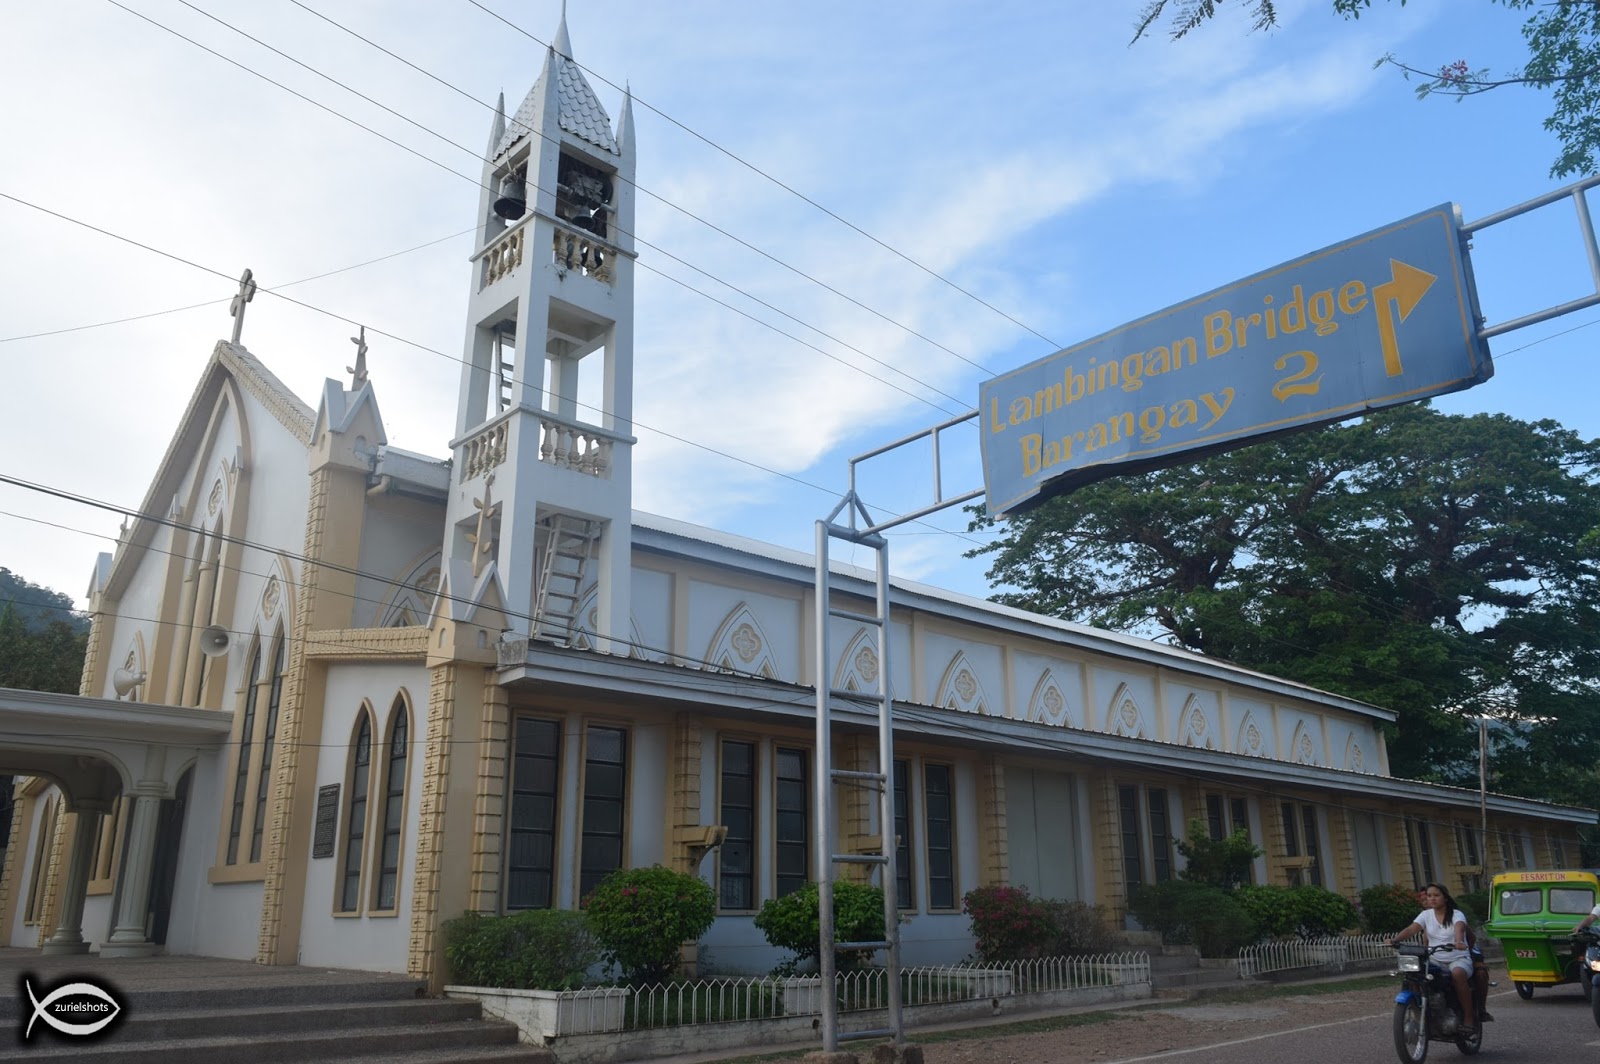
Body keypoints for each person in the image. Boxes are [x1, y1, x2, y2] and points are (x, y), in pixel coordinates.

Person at [1392, 883, 1478, 1036]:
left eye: (1436, 895)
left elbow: (1460, 928)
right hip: (1435, 959)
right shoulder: (1426, 915)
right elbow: (1412, 928)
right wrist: (1395, 939)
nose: (1432, 899)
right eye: (1429, 896)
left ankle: (1468, 1018)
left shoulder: (1456, 914)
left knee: (1457, 974)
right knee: (1414, 975)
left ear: (1445, 897)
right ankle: (1421, 1012)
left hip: (1457, 958)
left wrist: (1459, 942)